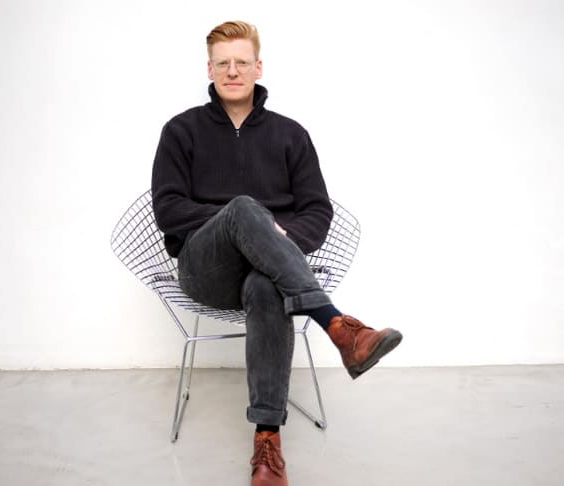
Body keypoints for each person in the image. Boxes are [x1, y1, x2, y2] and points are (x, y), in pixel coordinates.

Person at [151, 20, 403, 486]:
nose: (232, 71)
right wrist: (243, 222)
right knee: (244, 209)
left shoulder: (291, 134)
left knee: (267, 286)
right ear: (209, 69)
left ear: (258, 67)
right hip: (206, 269)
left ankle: (267, 444)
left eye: (241, 62)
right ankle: (337, 325)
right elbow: (168, 209)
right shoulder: (181, 131)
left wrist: (275, 237)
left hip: (270, 272)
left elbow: (317, 211)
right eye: (223, 63)